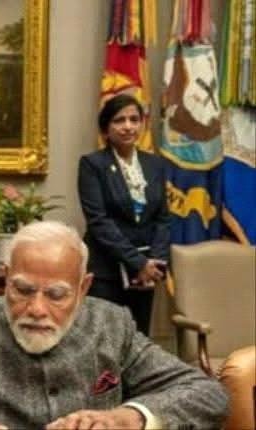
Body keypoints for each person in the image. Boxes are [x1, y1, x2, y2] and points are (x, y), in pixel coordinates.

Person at [0, 221, 228, 430]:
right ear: (6, 279)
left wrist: (130, 417)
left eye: (56, 295)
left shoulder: (112, 325)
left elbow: (208, 394)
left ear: (83, 288)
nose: (36, 309)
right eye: (22, 290)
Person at [78, 94, 171, 336]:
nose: (128, 126)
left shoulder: (155, 165)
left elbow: (162, 218)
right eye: (119, 120)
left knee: (138, 340)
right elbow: (98, 222)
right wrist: (138, 263)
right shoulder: (92, 164)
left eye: (134, 119)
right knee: (104, 341)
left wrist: (155, 263)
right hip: (106, 273)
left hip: (144, 276)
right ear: (106, 129)